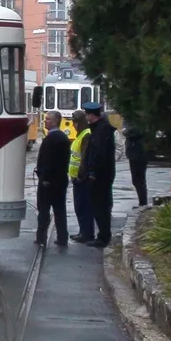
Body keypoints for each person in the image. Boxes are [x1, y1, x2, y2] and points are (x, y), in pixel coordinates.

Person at [81, 101, 118, 247]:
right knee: (101, 205)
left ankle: (103, 237)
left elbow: (99, 154)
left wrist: (92, 172)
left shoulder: (100, 131)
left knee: (100, 206)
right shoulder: (102, 129)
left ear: (91, 115)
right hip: (104, 174)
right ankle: (103, 235)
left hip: (100, 176)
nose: (86, 116)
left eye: (87, 114)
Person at [34, 111, 70, 246]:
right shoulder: (61, 137)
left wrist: (45, 178)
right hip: (60, 180)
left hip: (49, 182)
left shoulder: (53, 139)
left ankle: (41, 237)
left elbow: (50, 161)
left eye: (48, 119)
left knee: (43, 210)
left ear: (55, 121)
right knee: (60, 210)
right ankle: (62, 238)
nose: (45, 121)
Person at [68, 109, 95, 243]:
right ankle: (82, 231)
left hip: (81, 179)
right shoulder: (80, 134)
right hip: (76, 178)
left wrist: (80, 175)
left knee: (84, 207)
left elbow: (84, 158)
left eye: (75, 122)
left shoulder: (86, 135)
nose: (73, 125)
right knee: (79, 207)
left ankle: (86, 233)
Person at [124, 126, 148, 206]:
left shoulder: (137, 121)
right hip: (135, 153)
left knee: (138, 179)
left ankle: (143, 202)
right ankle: (142, 202)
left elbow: (132, 132)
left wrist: (125, 132)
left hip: (137, 153)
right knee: (138, 180)